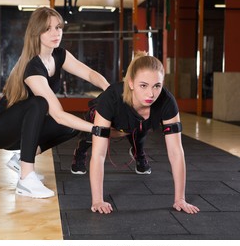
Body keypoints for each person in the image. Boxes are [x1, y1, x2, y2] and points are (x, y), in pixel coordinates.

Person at [0, 7, 110, 199]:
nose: (56, 32)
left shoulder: (59, 55)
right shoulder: (32, 66)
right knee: (40, 104)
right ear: (37, 32)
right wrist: (97, 129)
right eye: (48, 29)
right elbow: (58, 115)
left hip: (21, 128)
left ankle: (22, 158)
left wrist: (110, 92)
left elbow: (90, 74)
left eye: (58, 27)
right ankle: (26, 179)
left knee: (70, 128)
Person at [72, 52, 199, 214]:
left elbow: (176, 151)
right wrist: (97, 200)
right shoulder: (110, 98)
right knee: (91, 138)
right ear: (131, 83)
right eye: (143, 85)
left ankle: (138, 152)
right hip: (111, 122)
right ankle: (80, 150)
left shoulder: (167, 102)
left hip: (135, 125)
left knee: (139, 129)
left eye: (157, 86)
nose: (151, 94)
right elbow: (99, 155)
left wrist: (180, 198)